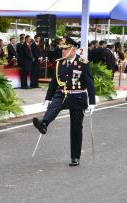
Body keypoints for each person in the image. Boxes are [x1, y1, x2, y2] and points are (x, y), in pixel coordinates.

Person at [32, 37, 96, 166]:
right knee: (53, 106)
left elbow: (89, 82)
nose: (63, 51)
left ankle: (75, 157)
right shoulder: (59, 63)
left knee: (76, 128)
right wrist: (48, 98)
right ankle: (44, 124)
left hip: (78, 96)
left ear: (73, 49)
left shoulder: (83, 63)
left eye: (66, 49)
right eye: (62, 49)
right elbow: (54, 82)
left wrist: (92, 102)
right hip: (62, 94)